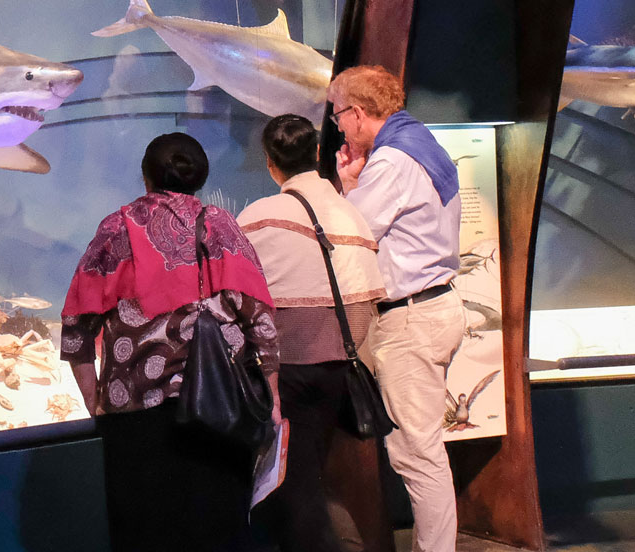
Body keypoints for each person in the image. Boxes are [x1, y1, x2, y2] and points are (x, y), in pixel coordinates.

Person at [60, 132, 279, 552]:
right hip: (221, 410)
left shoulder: (116, 228)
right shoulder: (220, 225)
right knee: (219, 529)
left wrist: (96, 400)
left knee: (145, 531)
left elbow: (76, 325)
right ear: (199, 177)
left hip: (135, 415)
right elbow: (259, 317)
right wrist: (271, 395)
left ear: (145, 177)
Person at [330, 65, 466, 552]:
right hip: (432, 308)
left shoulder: (392, 161)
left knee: (417, 454)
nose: (338, 126)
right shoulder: (417, 139)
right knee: (420, 449)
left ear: (360, 114)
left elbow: (354, 234)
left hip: (412, 317)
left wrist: (347, 187)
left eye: (338, 115)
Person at [238, 115, 386, 552]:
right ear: (316, 153)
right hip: (348, 365)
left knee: (294, 484)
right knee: (313, 474)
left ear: (270, 164)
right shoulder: (350, 212)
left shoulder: (260, 215)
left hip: (293, 368)